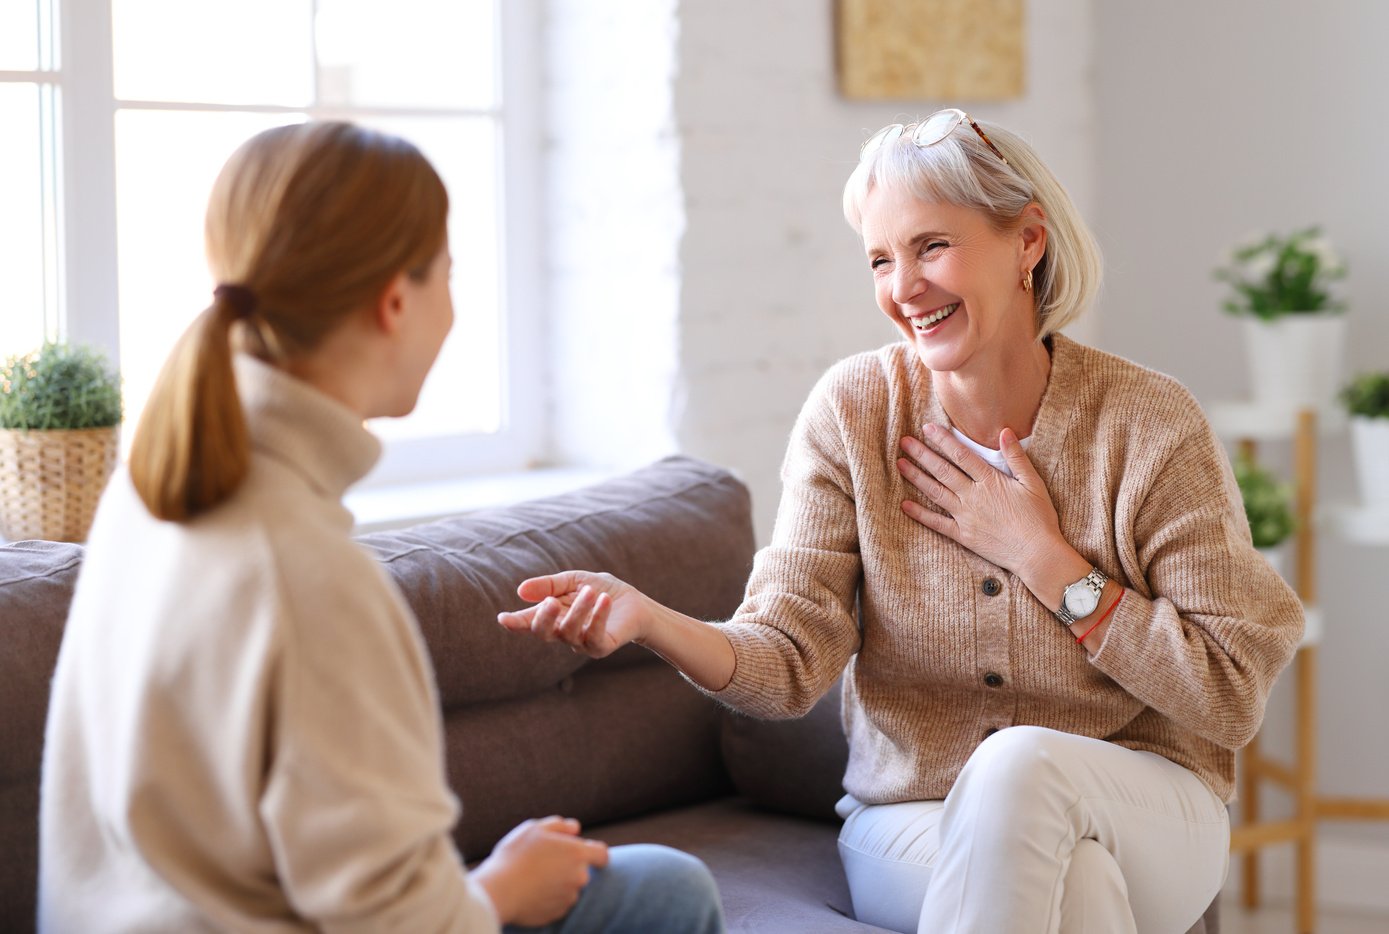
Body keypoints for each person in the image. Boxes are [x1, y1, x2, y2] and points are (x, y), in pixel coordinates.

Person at [497, 109, 1304, 934]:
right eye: (880, 259)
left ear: (1027, 242)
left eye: (930, 247)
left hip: (1149, 805)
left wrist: (1043, 557)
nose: (902, 288)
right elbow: (785, 660)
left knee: (1024, 771)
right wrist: (648, 620)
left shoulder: (1147, 423)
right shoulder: (854, 413)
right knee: (1078, 887)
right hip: (915, 823)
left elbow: (1228, 689)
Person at [38, 121, 724, 934]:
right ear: (395, 302)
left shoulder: (147, 491)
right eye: (449, 275)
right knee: (662, 894)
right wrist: (502, 889)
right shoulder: (308, 577)